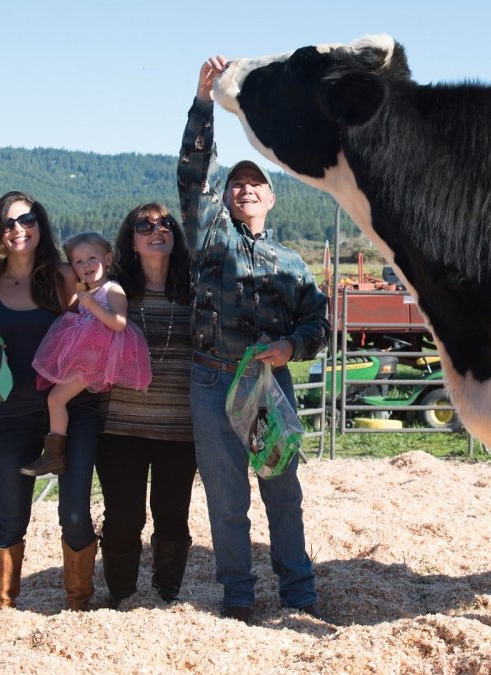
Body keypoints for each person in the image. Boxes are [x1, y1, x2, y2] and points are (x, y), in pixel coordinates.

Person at [179, 55, 329, 624]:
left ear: (271, 198)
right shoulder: (210, 240)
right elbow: (195, 172)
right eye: (237, 182)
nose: (244, 188)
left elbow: (319, 324)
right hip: (213, 378)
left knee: (282, 495)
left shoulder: (291, 263)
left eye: (255, 183)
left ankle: (299, 592)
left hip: (268, 384)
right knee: (226, 499)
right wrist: (203, 100)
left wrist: (293, 347)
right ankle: (238, 594)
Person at [0, 191, 100, 611]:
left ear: (41, 222)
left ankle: (78, 606)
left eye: (27, 219)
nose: (19, 229)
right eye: (9, 223)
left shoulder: (65, 276)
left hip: (73, 413)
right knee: (10, 519)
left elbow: (98, 320)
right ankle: (0, 609)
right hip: (12, 415)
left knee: (74, 515)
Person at [95, 203, 198, 609]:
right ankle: (121, 594)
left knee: (173, 514)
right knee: (123, 516)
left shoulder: (195, 290)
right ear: (131, 241)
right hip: (120, 423)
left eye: (165, 223)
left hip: (179, 426)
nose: (157, 230)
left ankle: (166, 593)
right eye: (145, 225)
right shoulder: (114, 291)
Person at [23, 232, 151, 477]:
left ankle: (54, 455)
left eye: (92, 258)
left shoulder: (112, 289)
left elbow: (120, 323)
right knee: (55, 397)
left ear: (108, 259)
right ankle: (54, 451)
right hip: (87, 356)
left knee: (56, 399)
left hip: (96, 359)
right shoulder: (88, 292)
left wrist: (92, 306)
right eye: (78, 262)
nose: (86, 265)